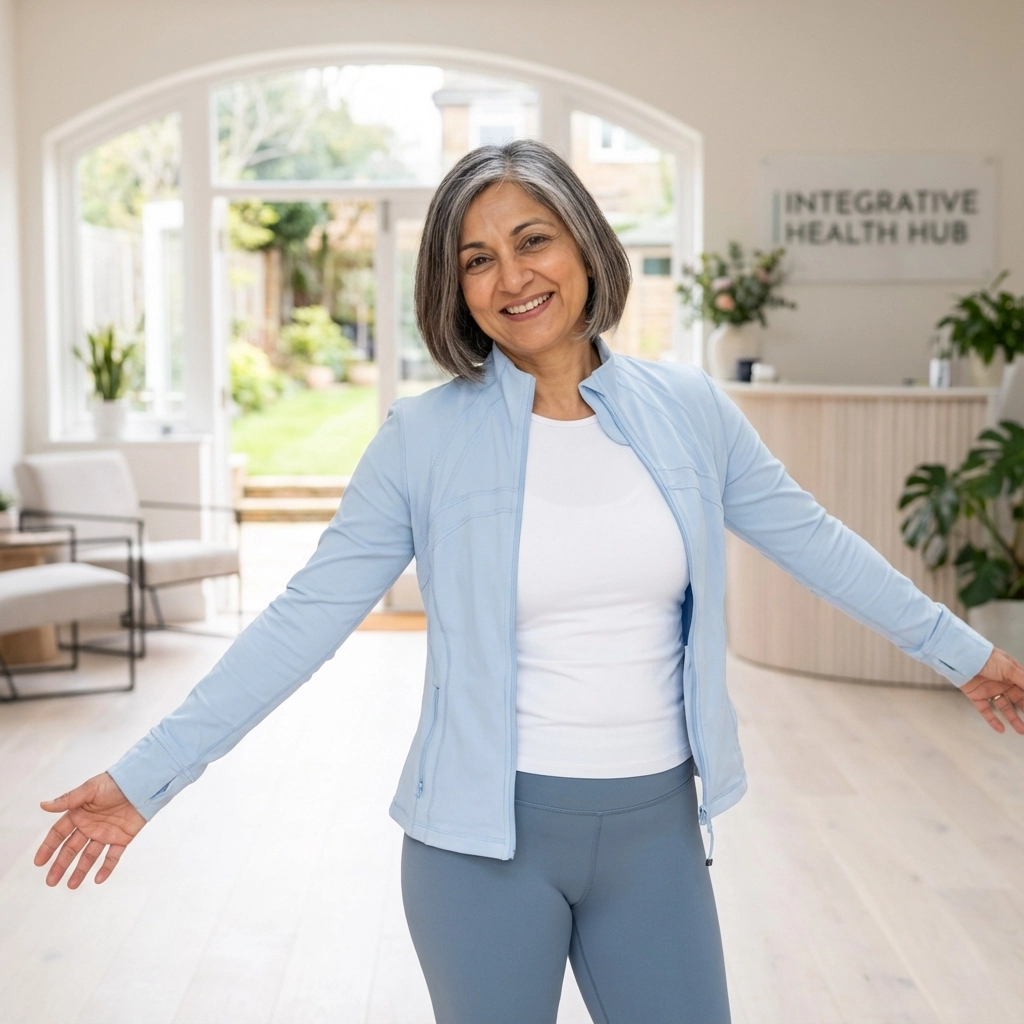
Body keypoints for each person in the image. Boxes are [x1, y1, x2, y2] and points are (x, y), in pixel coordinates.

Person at [35, 140, 1024, 1024]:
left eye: (532, 239)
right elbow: (302, 622)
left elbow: (816, 542)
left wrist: (965, 654)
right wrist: (145, 777)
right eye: (476, 259)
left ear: (586, 244)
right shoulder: (420, 441)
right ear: (452, 287)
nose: (510, 276)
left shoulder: (688, 410)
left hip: (656, 838)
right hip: (477, 851)